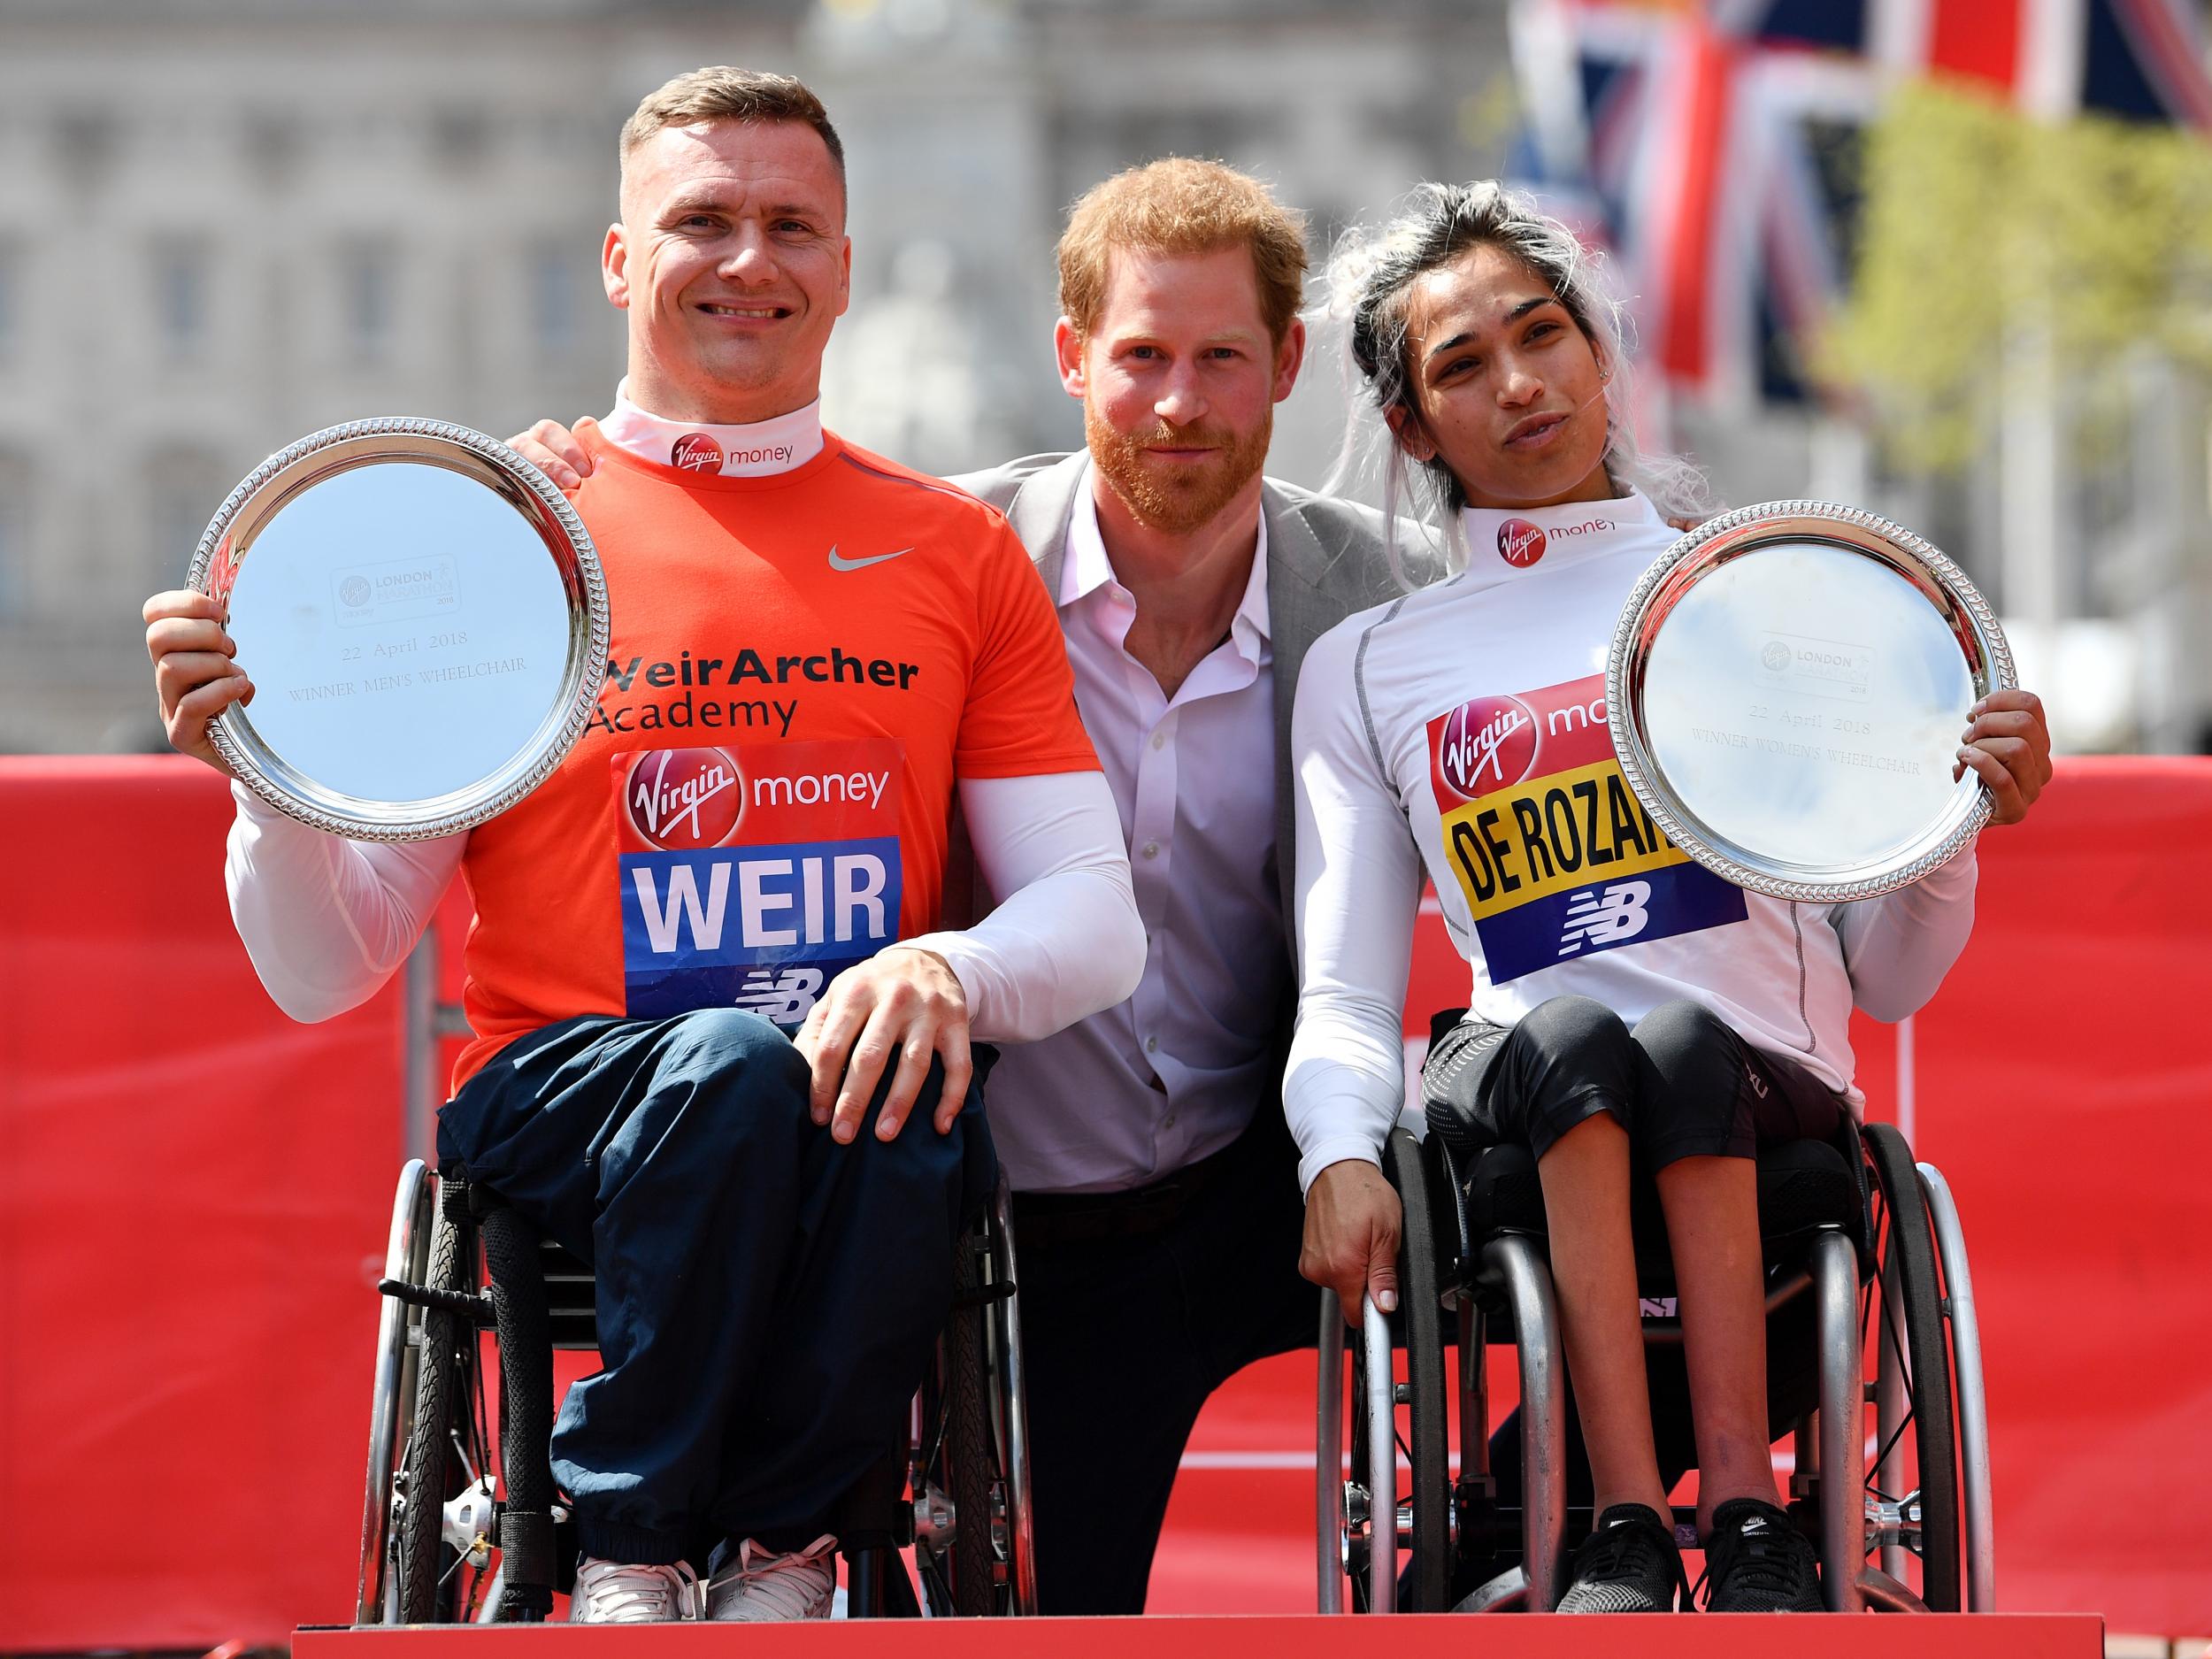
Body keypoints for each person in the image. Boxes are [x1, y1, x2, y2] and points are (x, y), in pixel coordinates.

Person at [142, 66, 1144, 1624]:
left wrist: (951, 963)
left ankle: (784, 1554)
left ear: (846, 269)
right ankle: (633, 1542)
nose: (751, 260)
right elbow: (324, 972)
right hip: (566, 1102)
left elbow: (1095, 914)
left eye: (791, 225)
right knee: (735, 1066)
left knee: (879, 1071)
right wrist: (270, 781)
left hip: (843, 1105)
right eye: (704, 222)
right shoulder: (509, 542)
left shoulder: (957, 550)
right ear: (621, 262)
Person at [509, 157, 1434, 1615]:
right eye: (1141, 357)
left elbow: (1564, 701)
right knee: (1050, 1616)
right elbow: (718, 549)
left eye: (1220, 359)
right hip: (998, 1219)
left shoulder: (1392, 595)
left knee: (1524, 1191)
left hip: (1262, 1184)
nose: (1180, 403)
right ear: (1072, 357)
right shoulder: (934, 557)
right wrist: (558, 491)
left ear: (1286, 368)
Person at [1287, 181, 2052, 1612]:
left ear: (1600, 350)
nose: (1520, 383)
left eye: (1544, 333)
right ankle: (1620, 1524)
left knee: (1689, 1039)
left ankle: (1752, 1519)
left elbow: (1886, 983)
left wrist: (1954, 822)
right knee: (1577, 1033)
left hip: (1759, 1097)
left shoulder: (1769, 589)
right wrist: (1335, 1152)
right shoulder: (1374, 666)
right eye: (1461, 366)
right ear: (1408, 425)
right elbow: (1343, 987)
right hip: (1521, 1086)